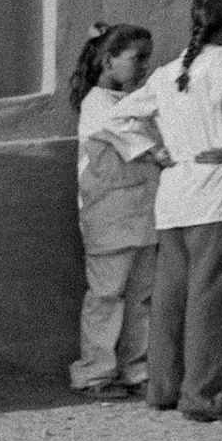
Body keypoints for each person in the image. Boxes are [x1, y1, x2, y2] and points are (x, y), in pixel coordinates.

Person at [106, 0, 222, 422]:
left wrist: (161, 152)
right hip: (218, 194)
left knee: (172, 296)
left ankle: (165, 387)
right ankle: (204, 394)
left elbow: (117, 118)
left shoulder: (169, 71)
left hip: (175, 196)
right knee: (213, 298)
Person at [67, 22, 161, 401]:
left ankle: (134, 368)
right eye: (137, 58)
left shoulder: (126, 105)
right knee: (107, 296)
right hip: (109, 218)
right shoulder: (99, 106)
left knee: (140, 298)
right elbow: (143, 146)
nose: (144, 67)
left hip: (141, 215)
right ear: (108, 60)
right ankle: (94, 372)